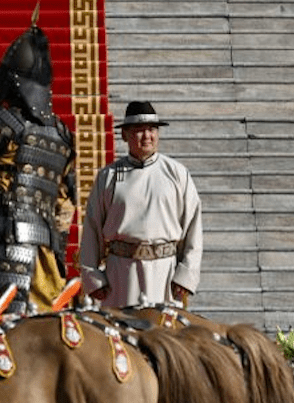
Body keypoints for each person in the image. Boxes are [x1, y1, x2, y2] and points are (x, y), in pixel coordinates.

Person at [0, 7, 77, 316]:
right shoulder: (62, 133)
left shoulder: (0, 122)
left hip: (1, 242)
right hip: (45, 247)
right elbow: (65, 205)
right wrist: (58, 250)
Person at [79, 100, 203, 308]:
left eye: (152, 129)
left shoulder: (177, 174)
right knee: (123, 335)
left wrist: (186, 274)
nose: (147, 136)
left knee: (163, 337)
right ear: (125, 134)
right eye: (139, 130)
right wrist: (94, 277)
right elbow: (92, 229)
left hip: (165, 273)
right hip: (121, 274)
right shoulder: (108, 177)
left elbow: (193, 227)